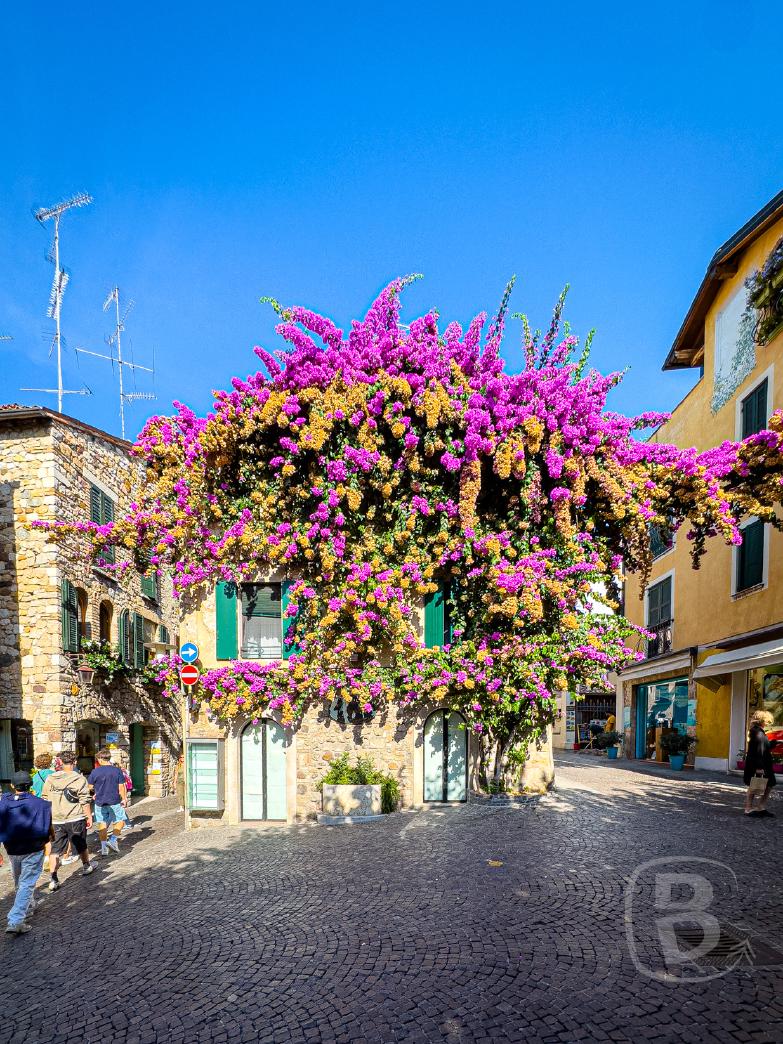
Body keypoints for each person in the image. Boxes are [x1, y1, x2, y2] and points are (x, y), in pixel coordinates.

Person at [0, 771, 53, 934]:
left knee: (20, 881)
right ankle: (16, 919)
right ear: (30, 786)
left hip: (12, 848)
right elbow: (48, 824)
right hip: (33, 848)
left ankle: (27, 908)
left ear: (12, 786)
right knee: (26, 882)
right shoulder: (41, 804)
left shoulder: (4, 802)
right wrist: (51, 837)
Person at [42, 751, 94, 890]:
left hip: (57, 819)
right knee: (81, 843)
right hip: (75, 817)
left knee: (55, 849)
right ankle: (86, 865)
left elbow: (45, 798)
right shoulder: (79, 779)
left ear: (60, 762)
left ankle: (53, 878)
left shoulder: (50, 779)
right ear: (75, 762)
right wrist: (89, 816)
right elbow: (85, 800)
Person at [88, 748, 127, 856]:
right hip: (114, 800)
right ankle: (113, 840)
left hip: (100, 801)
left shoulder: (95, 771)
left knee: (102, 823)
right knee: (120, 820)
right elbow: (121, 787)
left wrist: (95, 792)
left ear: (100, 759)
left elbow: (90, 787)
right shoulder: (116, 770)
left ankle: (104, 847)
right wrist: (123, 798)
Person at [744, 710, 777, 817]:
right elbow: (758, 751)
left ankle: (761, 807)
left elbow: (763, 747)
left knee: (769, 784)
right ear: (763, 720)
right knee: (754, 785)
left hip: (763, 763)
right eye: (768, 720)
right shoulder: (758, 733)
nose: (769, 723)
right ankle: (748, 808)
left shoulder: (758, 732)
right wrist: (759, 767)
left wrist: (773, 743)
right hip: (759, 764)